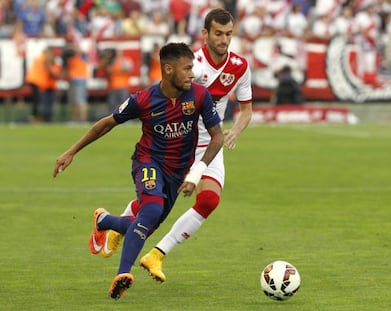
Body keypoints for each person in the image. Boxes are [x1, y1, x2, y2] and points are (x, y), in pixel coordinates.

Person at [53, 42, 224, 300]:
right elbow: (106, 124)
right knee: (151, 210)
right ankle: (123, 274)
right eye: (187, 68)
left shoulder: (199, 96)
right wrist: (72, 151)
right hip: (148, 162)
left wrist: (195, 174)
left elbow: (217, 137)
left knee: (144, 224)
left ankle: (104, 221)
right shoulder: (143, 100)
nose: (193, 73)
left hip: (179, 173)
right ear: (168, 70)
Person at [99, 8, 253, 284]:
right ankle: (117, 222)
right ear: (205, 34)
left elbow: (247, 109)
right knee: (154, 207)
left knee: (209, 200)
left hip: (213, 143)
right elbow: (162, 94)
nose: (224, 40)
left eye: (228, 34)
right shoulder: (190, 65)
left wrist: (236, 131)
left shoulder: (240, 66)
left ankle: (157, 254)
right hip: (183, 142)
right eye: (218, 33)